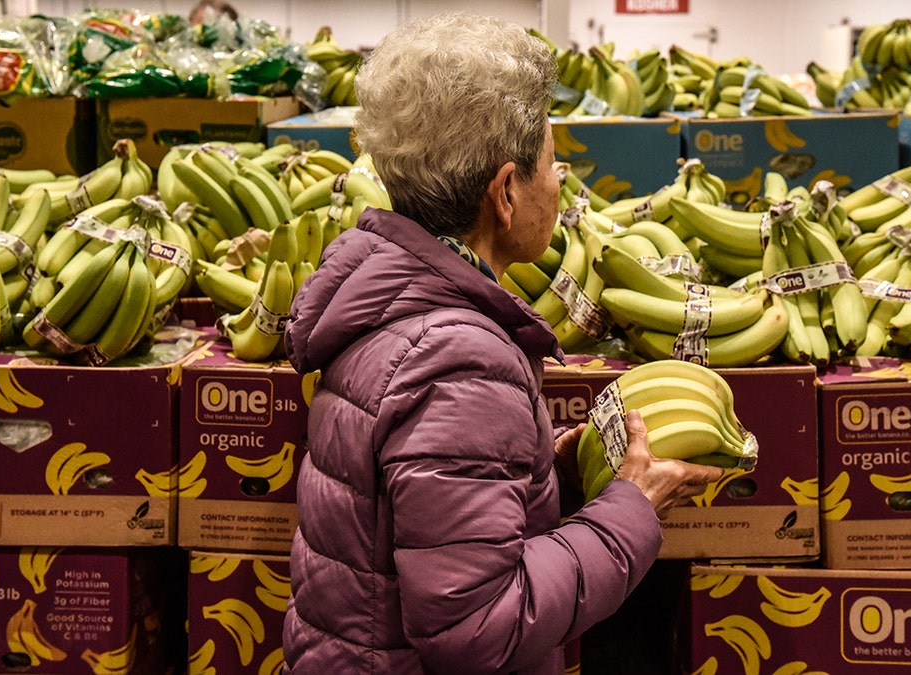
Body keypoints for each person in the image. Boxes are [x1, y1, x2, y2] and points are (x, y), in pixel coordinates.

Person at [281, 12, 724, 674]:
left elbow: (413, 507)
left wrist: (545, 474)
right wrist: (632, 509)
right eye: (551, 159)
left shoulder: (388, 302)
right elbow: (476, 627)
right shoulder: (459, 358)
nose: (561, 177)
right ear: (505, 193)